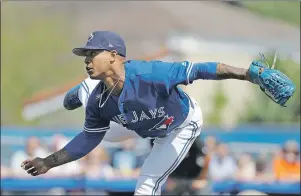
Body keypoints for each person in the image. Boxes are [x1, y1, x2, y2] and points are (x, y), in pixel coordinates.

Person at [20, 30, 286, 195]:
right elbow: (87, 139)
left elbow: (201, 69)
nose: (87, 60)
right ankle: (85, 90)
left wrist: (248, 74)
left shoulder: (150, 74)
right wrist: (48, 162)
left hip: (179, 127)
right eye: (85, 56)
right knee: (104, 132)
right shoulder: (100, 102)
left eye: (92, 54)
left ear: (113, 55)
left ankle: (85, 89)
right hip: (133, 121)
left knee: (146, 184)